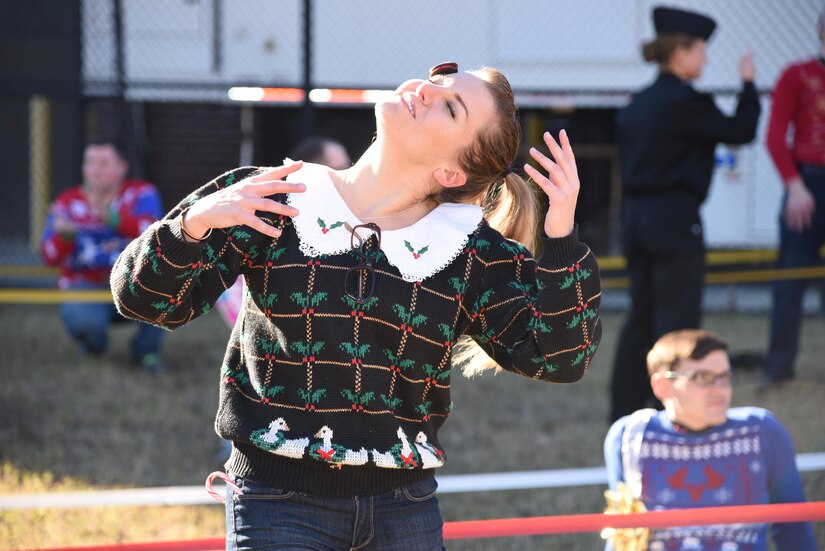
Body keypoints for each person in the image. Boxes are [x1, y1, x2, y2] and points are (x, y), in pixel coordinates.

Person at [111, 62, 602, 549]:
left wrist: (560, 237)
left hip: (404, 512)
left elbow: (559, 359)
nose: (425, 91)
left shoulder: (470, 252)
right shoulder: (276, 195)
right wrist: (192, 225)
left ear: (450, 171)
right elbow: (144, 301)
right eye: (436, 81)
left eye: (450, 107)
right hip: (275, 503)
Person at [610, 6, 761, 422]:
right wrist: (748, 84)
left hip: (636, 221)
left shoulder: (638, 104)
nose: (706, 59)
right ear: (680, 53)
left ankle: (624, 412)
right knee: (676, 323)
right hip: (674, 219)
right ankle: (670, 412)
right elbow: (740, 131)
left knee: (640, 317)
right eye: (700, 51)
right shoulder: (686, 103)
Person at [604, 329, 817, 551]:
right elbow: (622, 534)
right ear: (662, 386)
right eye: (703, 378)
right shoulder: (629, 436)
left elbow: (794, 533)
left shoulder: (763, 432)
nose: (720, 389)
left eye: (725, 376)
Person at [41, 140, 166, 372]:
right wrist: (64, 237)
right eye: (89, 162)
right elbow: (49, 256)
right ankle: (93, 347)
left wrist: (112, 219)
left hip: (134, 283)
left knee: (167, 286)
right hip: (86, 285)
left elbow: (155, 234)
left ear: (122, 168)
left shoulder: (141, 194)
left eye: (104, 163)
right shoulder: (67, 203)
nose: (95, 170)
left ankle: (146, 352)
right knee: (83, 320)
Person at [214, 137, 352, 329]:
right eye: (344, 167)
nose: (351, 174)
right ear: (317, 173)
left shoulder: (345, 222)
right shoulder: (276, 222)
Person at [763, 8, 825, 389]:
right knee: (790, 281)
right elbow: (774, 138)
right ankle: (778, 367)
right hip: (807, 185)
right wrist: (794, 186)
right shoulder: (795, 75)